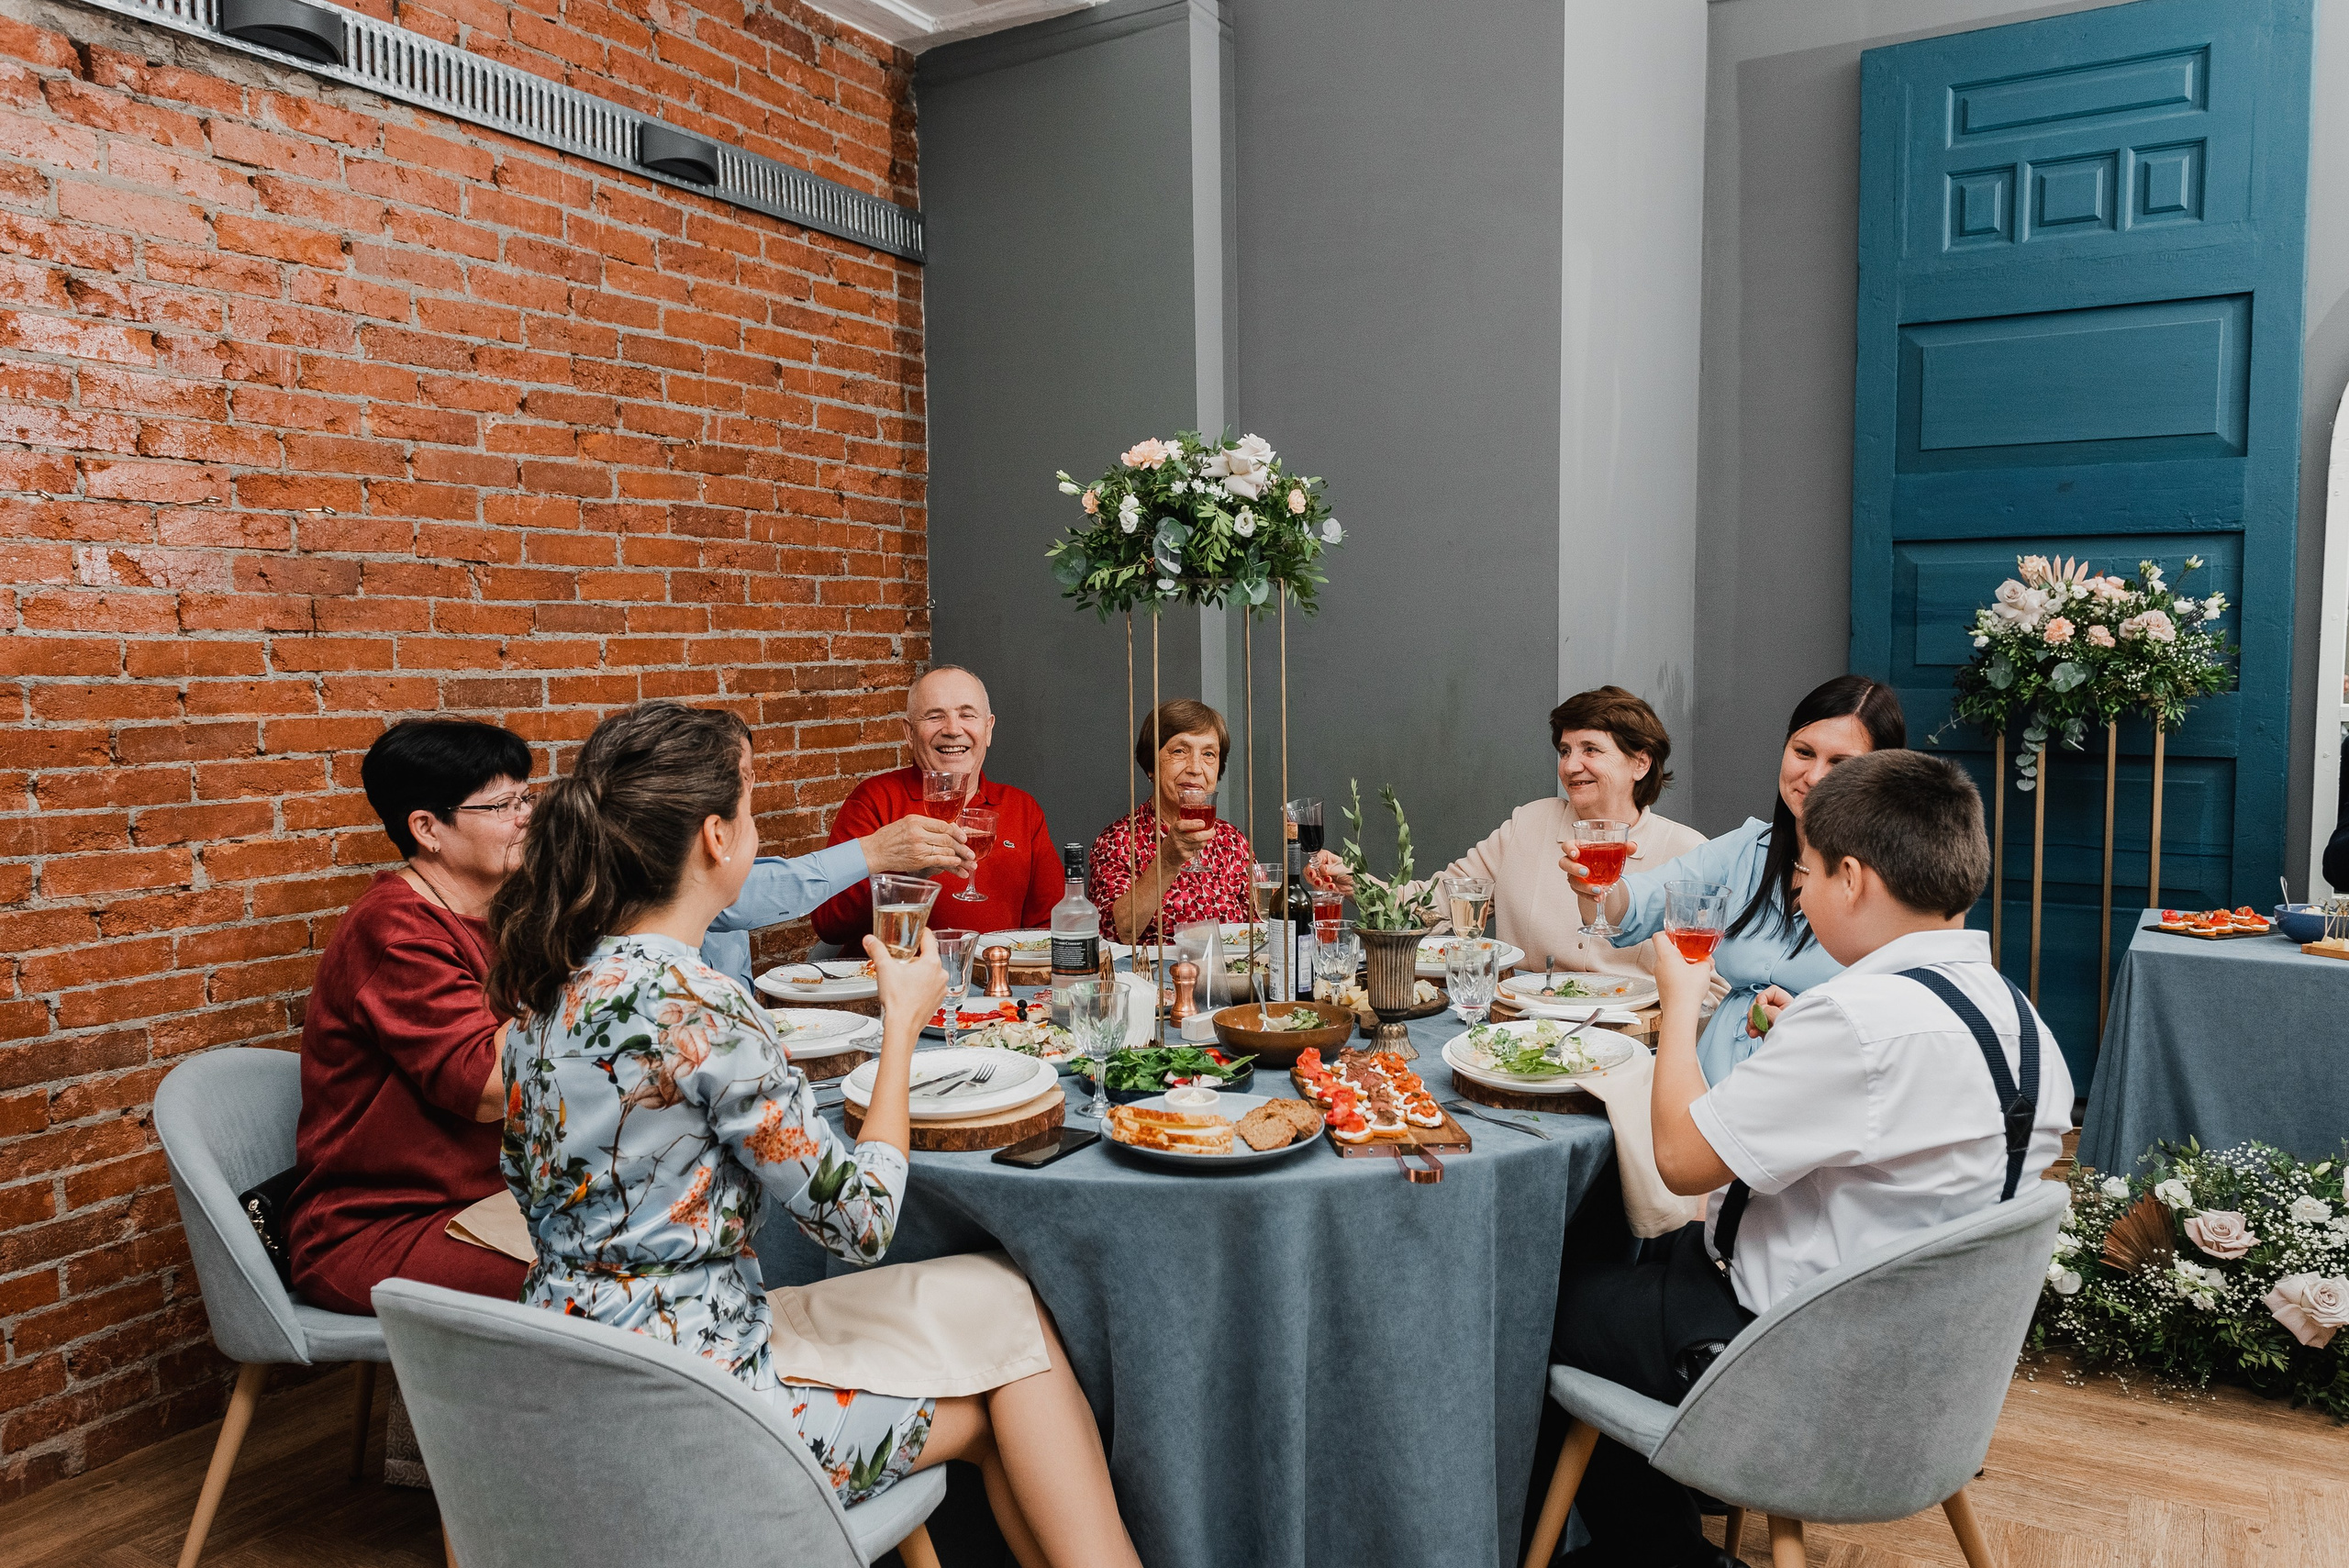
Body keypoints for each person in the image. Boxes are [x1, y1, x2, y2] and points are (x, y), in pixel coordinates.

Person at [489, 702, 1142, 1568]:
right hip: (699, 1403)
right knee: (1013, 1347)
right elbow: (862, 1224)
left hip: (579, 1365)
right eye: (754, 810)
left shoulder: (547, 990)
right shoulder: (704, 1005)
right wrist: (904, 1025)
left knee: (1005, 1303)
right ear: (718, 838)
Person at [1543, 750, 2073, 1567]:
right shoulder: (2029, 1028)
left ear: (1853, 879)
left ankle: (1668, 1550)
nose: (1798, 891)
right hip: (1933, 1381)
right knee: (1640, 1260)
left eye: (1809, 875)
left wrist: (1683, 1002)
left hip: (1786, 1363)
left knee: (1545, 1305)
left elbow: (1682, 1161)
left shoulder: (1856, 1021)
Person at [288, 718, 534, 1317]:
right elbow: (487, 1086)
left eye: (528, 796)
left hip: (491, 1199)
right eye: (503, 804)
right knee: (610, 1272)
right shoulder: (394, 930)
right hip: (378, 1229)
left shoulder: (501, 913)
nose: (526, 815)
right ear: (427, 828)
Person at [1569, 674, 1905, 1083]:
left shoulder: (1895, 882)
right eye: (1803, 752)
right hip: (1711, 1078)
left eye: (1840, 763)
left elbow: (1898, 1020)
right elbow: (1638, 905)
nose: (1814, 776)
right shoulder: (1746, 847)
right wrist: (1598, 888)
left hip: (1816, 1085)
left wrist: (1808, 1022)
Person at [1308, 685, 1706, 979]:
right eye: (1565, 751)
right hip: (1521, 1029)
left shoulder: (1688, 853)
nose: (1570, 766)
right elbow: (1439, 902)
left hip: (1634, 1042)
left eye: (1591, 750)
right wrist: (1356, 883)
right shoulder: (1529, 823)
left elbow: (1714, 989)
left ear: (1640, 763)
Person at [700, 684, 975, 990]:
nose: (747, 787)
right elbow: (759, 894)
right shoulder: (697, 880)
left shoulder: (1020, 804)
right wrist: (876, 851)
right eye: (739, 776)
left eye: (746, 774)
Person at [808, 665, 1063, 947]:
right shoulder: (874, 801)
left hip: (998, 986)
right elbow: (829, 924)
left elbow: (1049, 927)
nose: (953, 730)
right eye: (935, 716)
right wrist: (906, 876)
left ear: (988, 729)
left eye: (967, 715)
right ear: (909, 732)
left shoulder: (1023, 808)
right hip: (899, 985)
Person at [1088, 698, 1255, 944]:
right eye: (1179, 751)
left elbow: (1262, 927)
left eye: (1209, 754)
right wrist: (1167, 861)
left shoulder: (1234, 841)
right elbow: (1115, 932)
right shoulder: (1118, 840)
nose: (1196, 768)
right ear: (1151, 766)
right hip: (1152, 979)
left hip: (1227, 979)